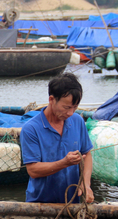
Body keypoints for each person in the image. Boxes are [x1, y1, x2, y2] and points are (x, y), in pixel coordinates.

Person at [20, 72, 94, 204]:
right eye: (66, 107)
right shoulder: (31, 129)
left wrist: (86, 184)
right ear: (52, 100)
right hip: (40, 203)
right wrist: (64, 163)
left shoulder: (77, 121)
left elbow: (87, 154)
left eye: (75, 107)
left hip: (73, 202)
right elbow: (33, 170)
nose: (70, 113)